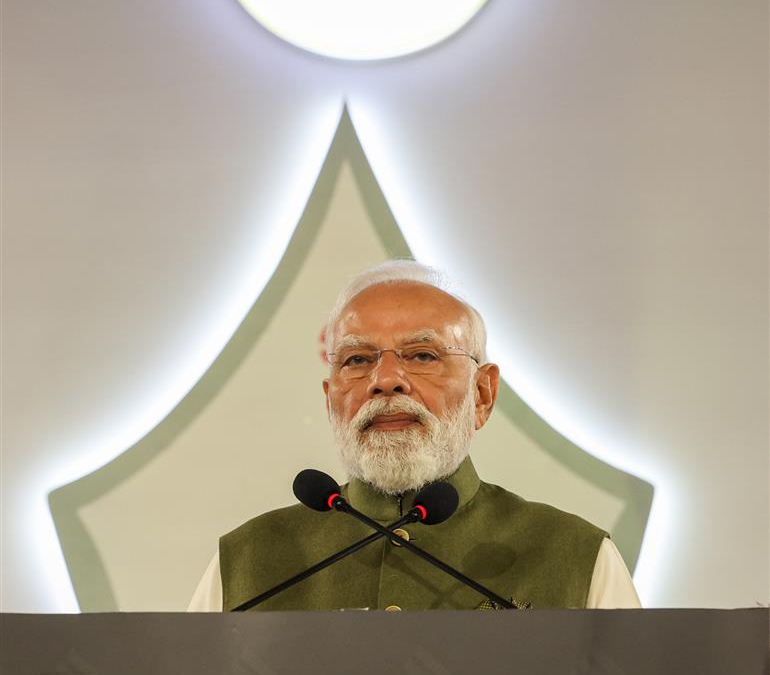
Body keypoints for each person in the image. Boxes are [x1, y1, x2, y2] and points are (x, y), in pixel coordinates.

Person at [189, 261, 640, 612]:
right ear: (331, 401)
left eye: (422, 355)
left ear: (482, 394)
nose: (386, 380)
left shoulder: (578, 558)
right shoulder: (245, 564)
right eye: (357, 360)